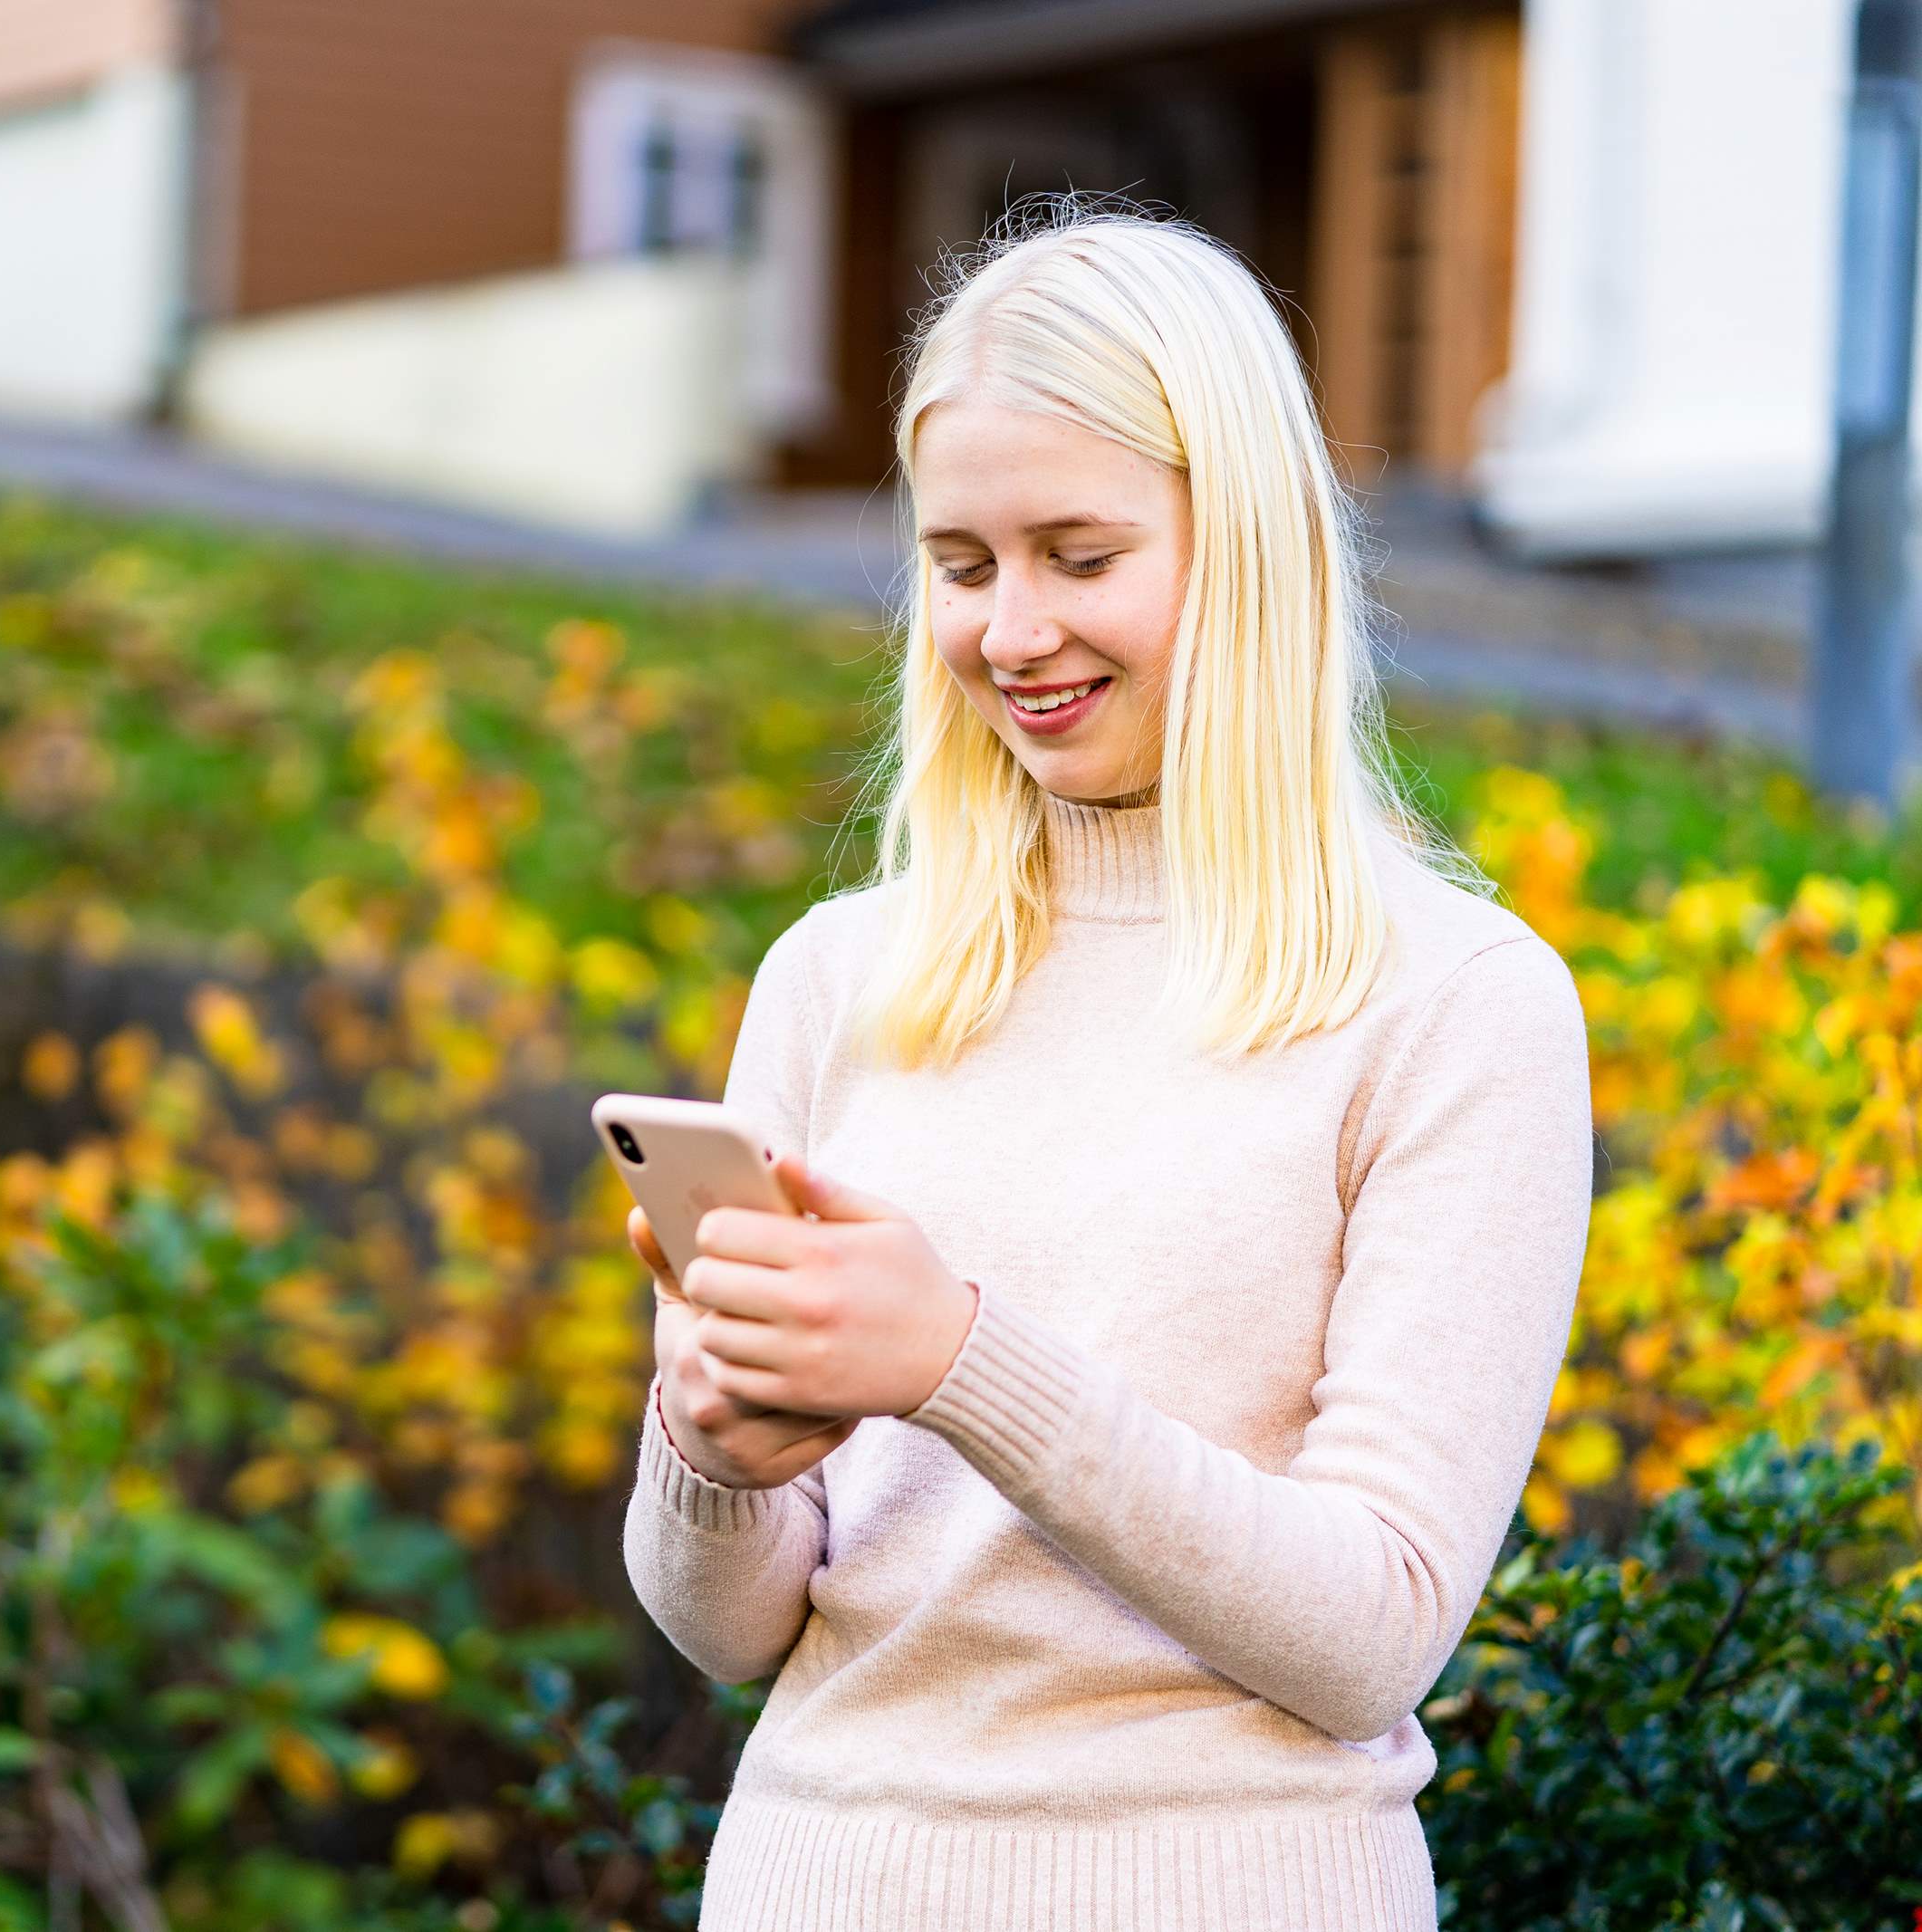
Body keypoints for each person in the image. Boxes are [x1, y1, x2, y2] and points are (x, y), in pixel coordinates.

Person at [620, 196, 1595, 1930]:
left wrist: (959, 1359)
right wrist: (715, 1448)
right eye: (962, 562)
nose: (1009, 633)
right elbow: (731, 1630)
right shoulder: (843, 975)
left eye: (1081, 555)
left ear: (1249, 547)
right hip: (817, 1877)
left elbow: (1372, 1623)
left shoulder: (1455, 1003)